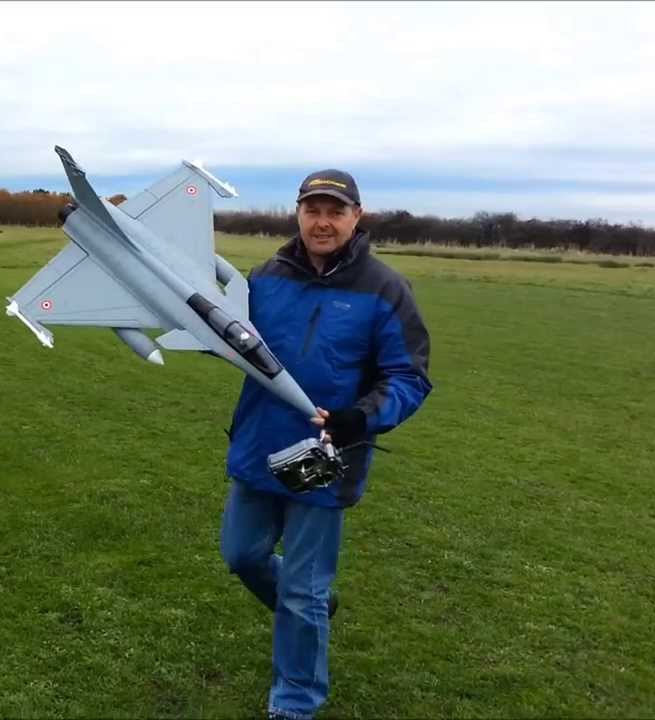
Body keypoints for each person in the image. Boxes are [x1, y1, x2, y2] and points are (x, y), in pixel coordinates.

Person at [220, 169, 433, 719]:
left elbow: (408, 377)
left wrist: (361, 418)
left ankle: (294, 702)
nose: (322, 222)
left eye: (335, 212)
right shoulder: (265, 277)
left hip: (325, 458)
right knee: (241, 555)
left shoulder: (384, 289)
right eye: (312, 210)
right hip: (258, 447)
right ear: (297, 214)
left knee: (300, 590)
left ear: (356, 217)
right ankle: (313, 605)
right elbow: (228, 339)